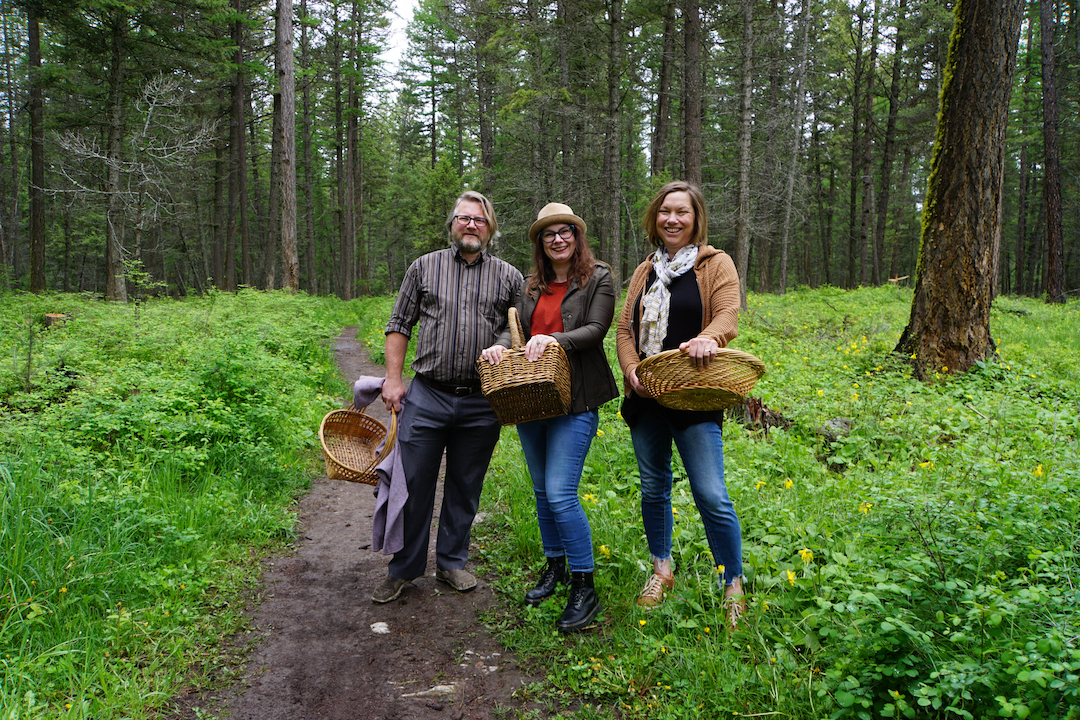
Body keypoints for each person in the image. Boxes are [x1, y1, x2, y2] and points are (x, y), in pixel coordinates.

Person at [374, 190, 523, 604]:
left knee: (465, 484)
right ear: (452, 224)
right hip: (427, 394)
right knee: (414, 482)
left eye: (479, 219)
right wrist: (393, 379)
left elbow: (517, 327)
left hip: (481, 399)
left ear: (490, 227)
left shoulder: (510, 276)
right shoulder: (424, 267)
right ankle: (403, 569)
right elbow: (399, 323)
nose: (471, 225)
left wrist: (503, 341)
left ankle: (452, 562)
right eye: (464, 218)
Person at [615, 180, 747, 629]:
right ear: (655, 218)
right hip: (648, 398)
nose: (672, 219)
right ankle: (661, 570)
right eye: (665, 212)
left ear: (696, 219)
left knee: (711, 493)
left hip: (694, 395)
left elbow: (728, 312)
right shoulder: (644, 271)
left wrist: (710, 338)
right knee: (654, 487)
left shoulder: (714, 264)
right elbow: (625, 330)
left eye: (682, 212)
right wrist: (632, 371)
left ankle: (733, 583)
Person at [481, 202, 618, 632]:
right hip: (531, 397)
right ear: (540, 242)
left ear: (577, 237)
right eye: (548, 234)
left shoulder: (599, 278)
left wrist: (553, 339)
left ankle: (584, 585)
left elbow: (596, 331)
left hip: (575, 402)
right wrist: (501, 345)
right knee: (542, 492)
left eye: (565, 232)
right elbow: (514, 327)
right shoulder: (530, 284)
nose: (557, 239)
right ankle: (555, 567)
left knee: (561, 493)